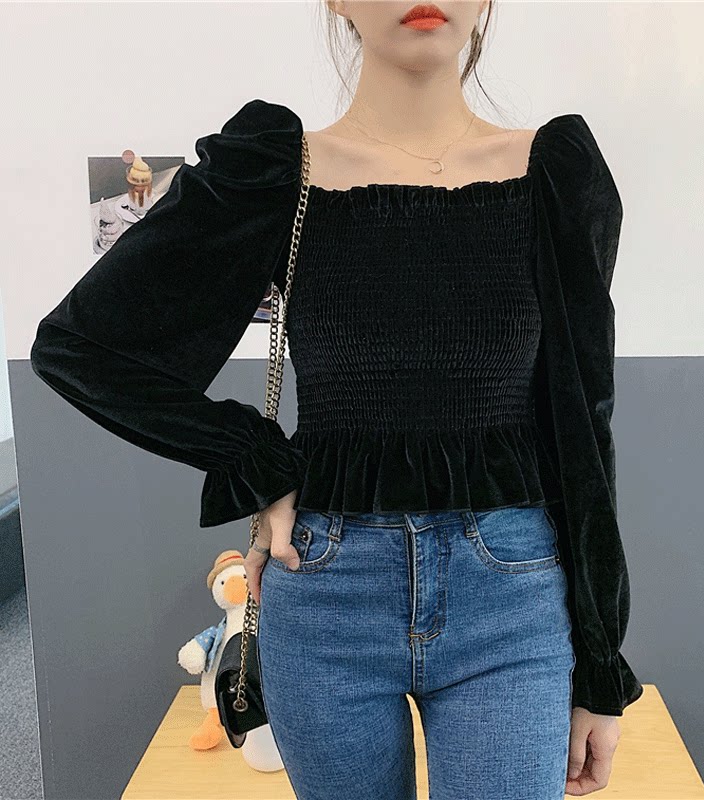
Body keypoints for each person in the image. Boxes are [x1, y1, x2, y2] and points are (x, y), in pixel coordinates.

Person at [31, 1, 643, 797]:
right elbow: (82, 346)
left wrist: (600, 664)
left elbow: (583, 422)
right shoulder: (277, 171)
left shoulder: (555, 173)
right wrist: (252, 457)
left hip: (511, 603)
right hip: (325, 594)